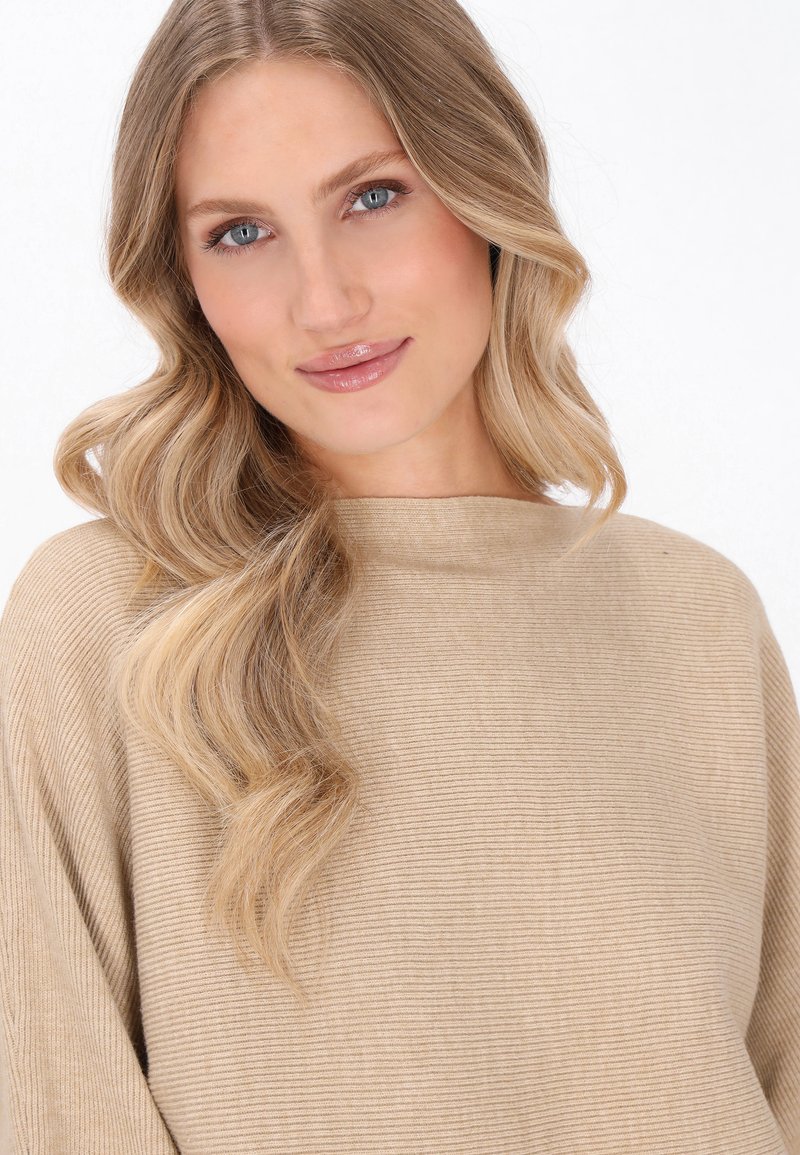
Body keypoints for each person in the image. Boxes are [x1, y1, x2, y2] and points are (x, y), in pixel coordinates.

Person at [0, 1, 797, 1152]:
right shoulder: (107, 622)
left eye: (372, 197)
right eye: (239, 232)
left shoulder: (696, 616)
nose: (325, 302)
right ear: (181, 280)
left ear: (481, 191)